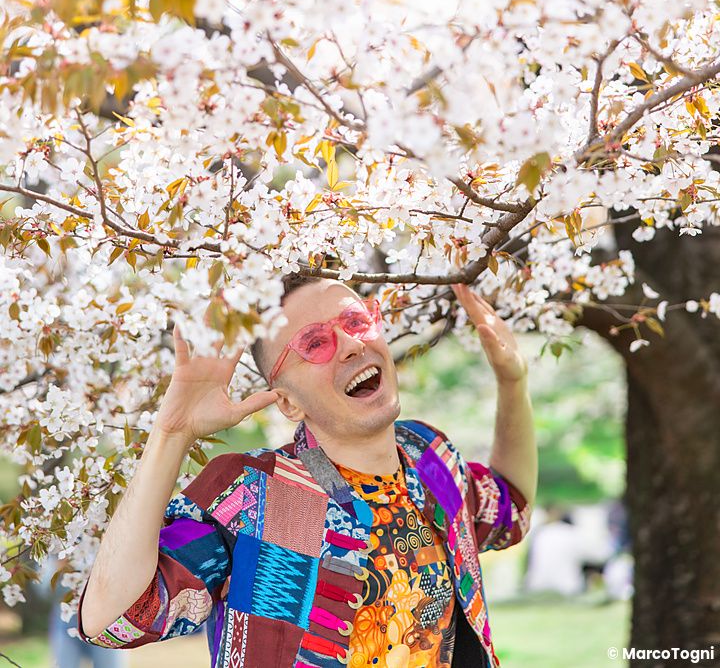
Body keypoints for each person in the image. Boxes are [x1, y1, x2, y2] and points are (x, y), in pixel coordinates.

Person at [77, 275, 537, 668]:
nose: (353, 344)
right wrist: (171, 434)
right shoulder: (258, 494)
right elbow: (113, 620)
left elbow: (510, 508)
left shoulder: (430, 454)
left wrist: (512, 381)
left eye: (356, 322)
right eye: (315, 343)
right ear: (287, 401)